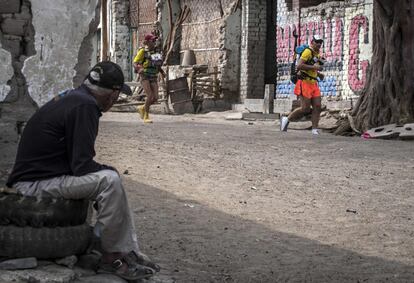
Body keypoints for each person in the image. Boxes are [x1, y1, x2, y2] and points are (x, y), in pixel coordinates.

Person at [6, 61, 160, 281]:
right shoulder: (85, 106)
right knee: (110, 181)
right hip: (32, 185)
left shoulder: (76, 97)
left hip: (38, 178)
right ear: (113, 94)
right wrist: (108, 170)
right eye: (118, 94)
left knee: (110, 179)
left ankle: (126, 249)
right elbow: (82, 166)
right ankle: (112, 257)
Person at [280, 35, 325, 135]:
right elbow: (299, 65)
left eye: (320, 42)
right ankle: (286, 119)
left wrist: (318, 74)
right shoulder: (307, 52)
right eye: (317, 42)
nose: (319, 44)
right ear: (312, 42)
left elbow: (311, 68)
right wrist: (314, 67)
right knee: (305, 108)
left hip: (313, 83)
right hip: (304, 83)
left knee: (317, 106)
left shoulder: (317, 54)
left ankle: (314, 129)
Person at [133, 34, 164, 124]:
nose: (154, 42)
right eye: (152, 41)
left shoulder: (156, 52)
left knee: (156, 98)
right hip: (145, 76)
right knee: (149, 96)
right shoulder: (143, 51)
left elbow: (157, 64)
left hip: (153, 76)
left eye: (154, 41)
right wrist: (139, 69)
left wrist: (162, 72)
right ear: (147, 42)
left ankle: (142, 108)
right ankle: (146, 116)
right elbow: (135, 63)